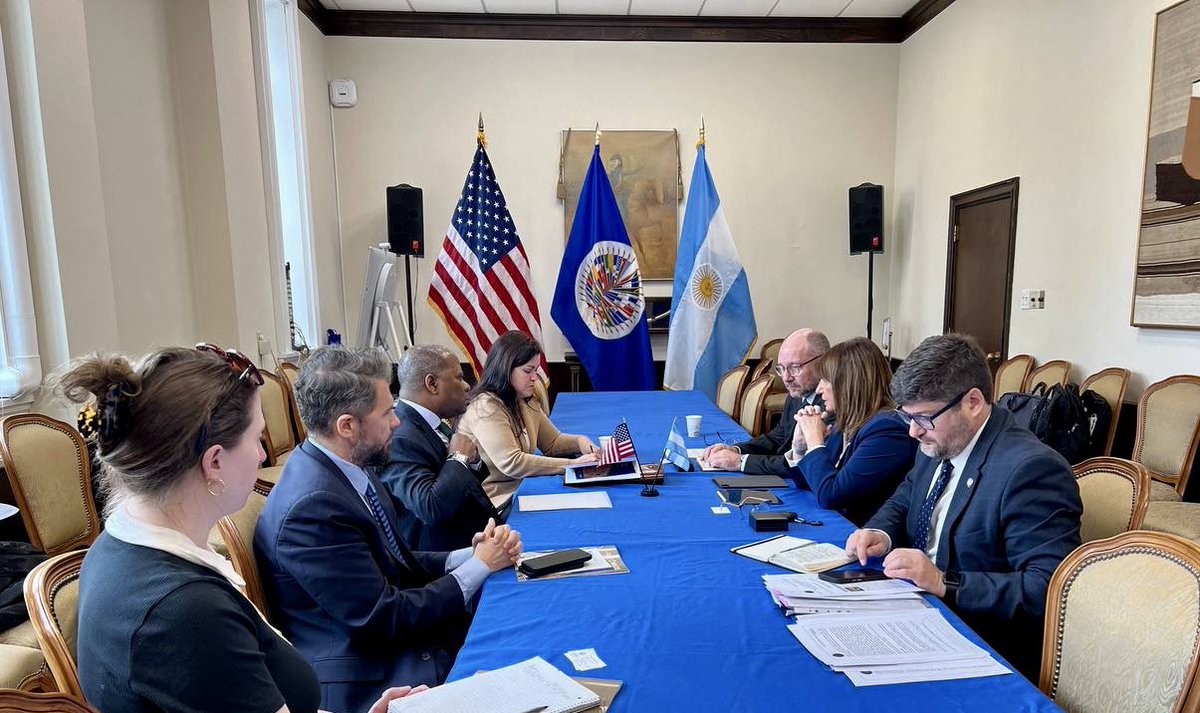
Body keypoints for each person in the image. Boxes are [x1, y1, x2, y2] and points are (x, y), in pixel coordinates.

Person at [65, 345, 420, 713]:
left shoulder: (115, 548)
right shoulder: (185, 611)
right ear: (215, 461)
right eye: (257, 438)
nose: (263, 456)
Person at [255, 346, 522, 713]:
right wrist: (479, 568)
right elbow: (383, 617)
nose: (397, 421)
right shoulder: (312, 508)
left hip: (393, 641)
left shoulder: (349, 466)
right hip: (371, 673)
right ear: (347, 426)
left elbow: (395, 558)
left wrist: (467, 556)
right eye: (387, 412)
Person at [844, 334, 1081, 679]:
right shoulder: (941, 441)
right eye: (907, 417)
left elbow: (1045, 589)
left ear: (972, 402)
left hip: (981, 642)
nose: (913, 432)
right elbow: (907, 496)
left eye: (923, 419)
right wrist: (879, 531)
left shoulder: (1031, 470)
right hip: (916, 614)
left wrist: (943, 582)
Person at [457, 331, 599, 509]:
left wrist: (580, 442)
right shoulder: (486, 406)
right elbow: (512, 463)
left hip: (521, 488)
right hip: (493, 499)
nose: (534, 378)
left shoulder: (524, 398)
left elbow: (552, 443)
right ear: (505, 369)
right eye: (527, 371)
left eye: (536, 370)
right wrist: (571, 465)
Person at [380, 345, 500, 550]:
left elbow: (461, 482)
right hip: (444, 559)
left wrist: (470, 461)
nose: (467, 386)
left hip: (476, 537)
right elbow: (430, 507)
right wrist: (459, 457)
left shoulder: (435, 422)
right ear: (432, 384)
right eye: (458, 377)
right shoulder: (401, 435)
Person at [789, 337, 916, 526]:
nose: (819, 388)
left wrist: (815, 441)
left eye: (826, 379)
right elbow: (812, 483)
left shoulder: (887, 430)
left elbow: (833, 496)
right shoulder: (847, 421)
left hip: (865, 537)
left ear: (849, 383)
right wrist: (800, 447)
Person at [701, 328, 829, 474]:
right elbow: (777, 439)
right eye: (781, 369)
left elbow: (802, 464)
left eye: (794, 368)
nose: (786, 378)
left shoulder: (831, 405)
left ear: (822, 362)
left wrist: (740, 461)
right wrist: (736, 449)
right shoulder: (798, 395)